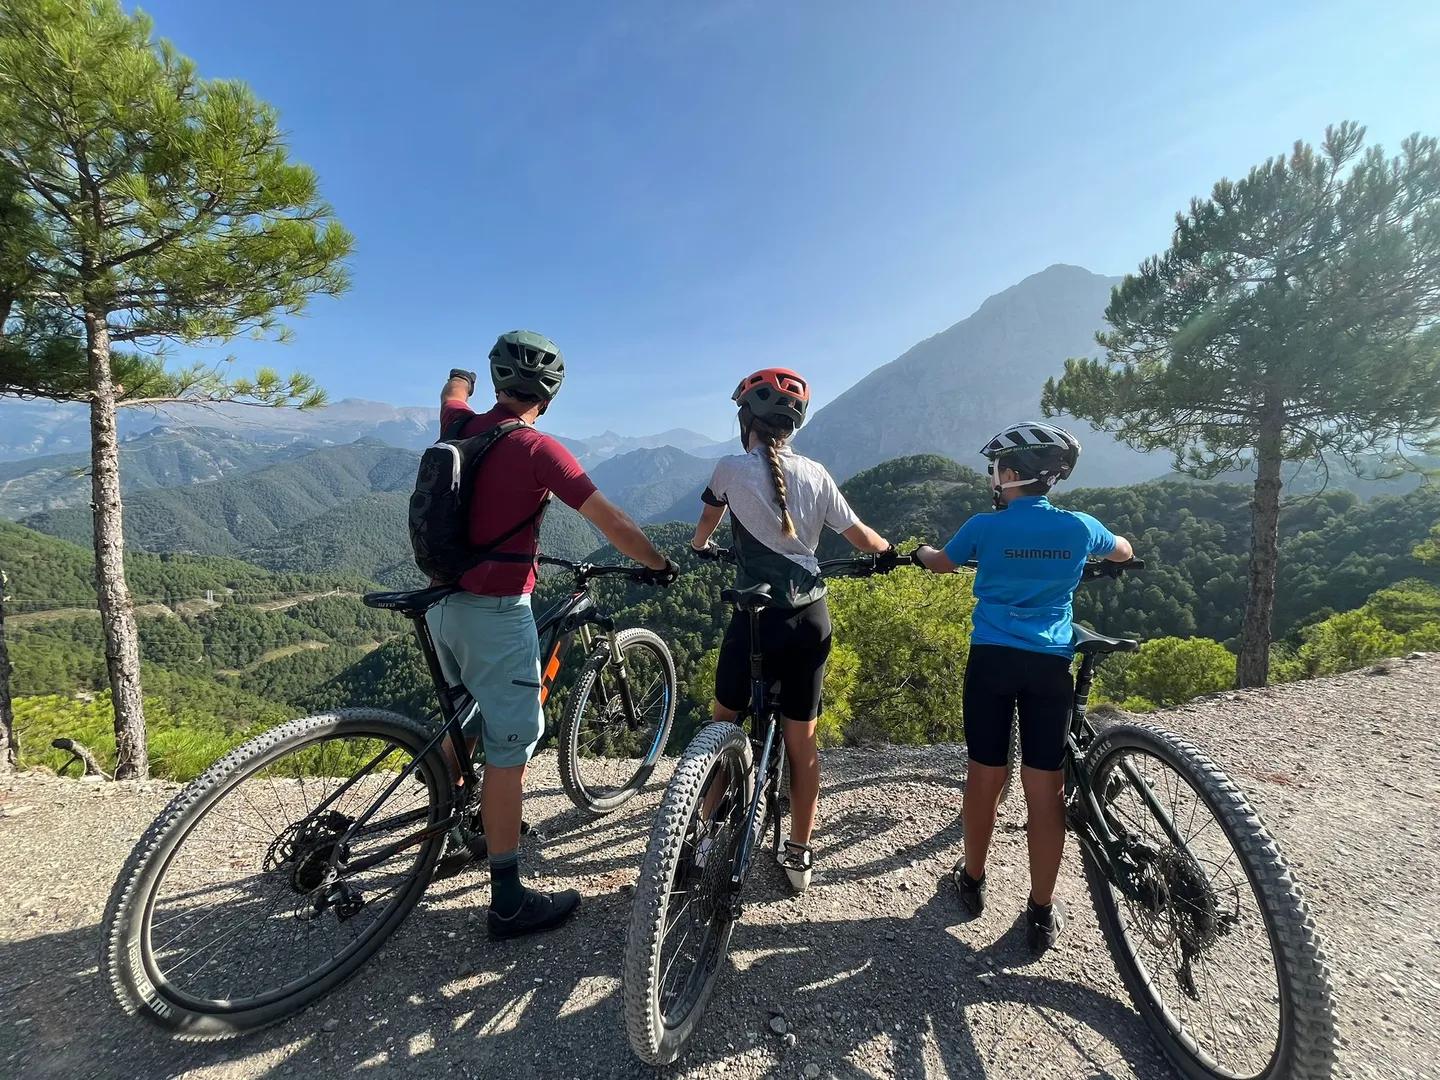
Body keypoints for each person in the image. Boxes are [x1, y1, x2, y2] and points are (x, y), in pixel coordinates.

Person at [430, 329, 678, 940]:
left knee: (463, 716)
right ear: (551, 391)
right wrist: (659, 564)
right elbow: (610, 520)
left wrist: (462, 375)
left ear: (496, 383)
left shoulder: (461, 424)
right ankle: (508, 900)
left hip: (442, 604)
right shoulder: (540, 450)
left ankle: (445, 825)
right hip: (495, 610)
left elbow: (451, 391)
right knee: (513, 745)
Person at [914, 421, 1133, 952]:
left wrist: (919, 551)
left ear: (1011, 475)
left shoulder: (982, 528)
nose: (994, 477)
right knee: (1045, 790)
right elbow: (1123, 551)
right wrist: (1098, 556)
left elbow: (942, 563)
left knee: (985, 776)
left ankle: (972, 881)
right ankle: (1040, 909)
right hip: (1048, 668)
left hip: (992, 661)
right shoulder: (1080, 527)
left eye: (997, 469)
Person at [690, 367, 895, 891]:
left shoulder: (729, 470)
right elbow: (863, 537)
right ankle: (800, 852)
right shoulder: (818, 474)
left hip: (754, 618)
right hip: (809, 620)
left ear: (746, 420)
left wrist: (702, 550)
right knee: (803, 741)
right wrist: (891, 556)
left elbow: (703, 532)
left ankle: (702, 838)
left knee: (722, 720)